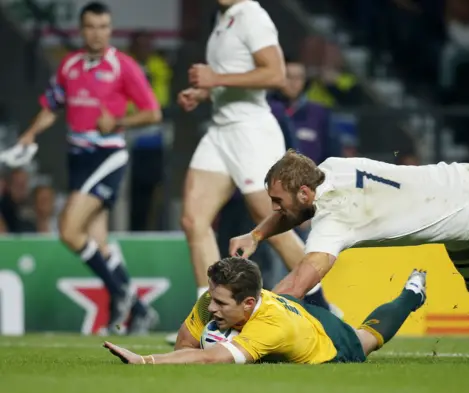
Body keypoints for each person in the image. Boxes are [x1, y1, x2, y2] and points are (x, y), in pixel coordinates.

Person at [230, 128, 469, 361]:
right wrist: (257, 235)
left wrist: (243, 324)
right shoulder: (329, 168)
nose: (275, 209)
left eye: (278, 201)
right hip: (459, 199)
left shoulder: (337, 219)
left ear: (303, 191)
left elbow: (297, 285)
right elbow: (295, 211)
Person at [3, 2, 162, 334]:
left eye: (104, 26)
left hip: (108, 156)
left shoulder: (124, 66)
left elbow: (152, 112)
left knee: (68, 229)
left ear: (110, 28)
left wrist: (117, 122)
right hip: (77, 159)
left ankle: (120, 293)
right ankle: (140, 308)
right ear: (81, 29)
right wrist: (29, 136)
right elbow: (51, 106)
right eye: (91, 26)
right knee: (98, 242)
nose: (98, 33)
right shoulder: (69, 66)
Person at [175, 0, 332, 326]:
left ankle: (323, 311)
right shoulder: (224, 18)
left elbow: (275, 74)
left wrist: (215, 77)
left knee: (270, 222)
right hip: (221, 129)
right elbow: (235, 77)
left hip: (250, 130)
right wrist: (205, 93)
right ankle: (210, 318)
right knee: (193, 220)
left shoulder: (251, 15)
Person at [104, 257, 426, 364]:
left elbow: (210, 357)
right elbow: (185, 345)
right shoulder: (215, 298)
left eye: (220, 303)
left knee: (366, 338)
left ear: (246, 304)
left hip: (325, 340)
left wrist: (144, 360)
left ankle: (412, 293)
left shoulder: (271, 326)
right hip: (286, 306)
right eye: (211, 299)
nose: (209, 306)